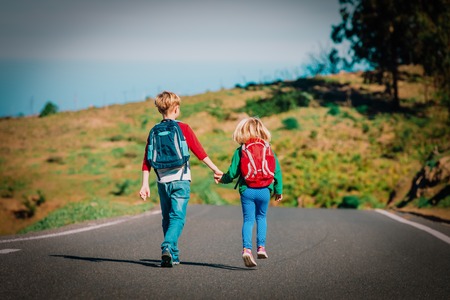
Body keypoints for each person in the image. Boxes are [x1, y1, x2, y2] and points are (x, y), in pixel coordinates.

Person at [139, 91, 222, 268]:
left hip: (162, 182)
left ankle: (172, 256)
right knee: (177, 217)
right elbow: (200, 152)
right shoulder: (183, 128)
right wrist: (216, 169)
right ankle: (168, 247)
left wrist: (145, 184)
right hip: (181, 180)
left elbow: (147, 160)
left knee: (167, 219)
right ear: (176, 109)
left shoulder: (154, 130)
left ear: (160, 110)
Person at [217, 117, 283, 268]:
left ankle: (247, 249)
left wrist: (222, 179)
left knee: (248, 220)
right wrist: (278, 191)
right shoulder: (268, 148)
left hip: (247, 190)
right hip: (265, 190)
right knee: (261, 217)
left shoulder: (241, 150)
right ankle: (261, 248)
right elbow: (277, 171)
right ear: (261, 130)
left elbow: (232, 173)